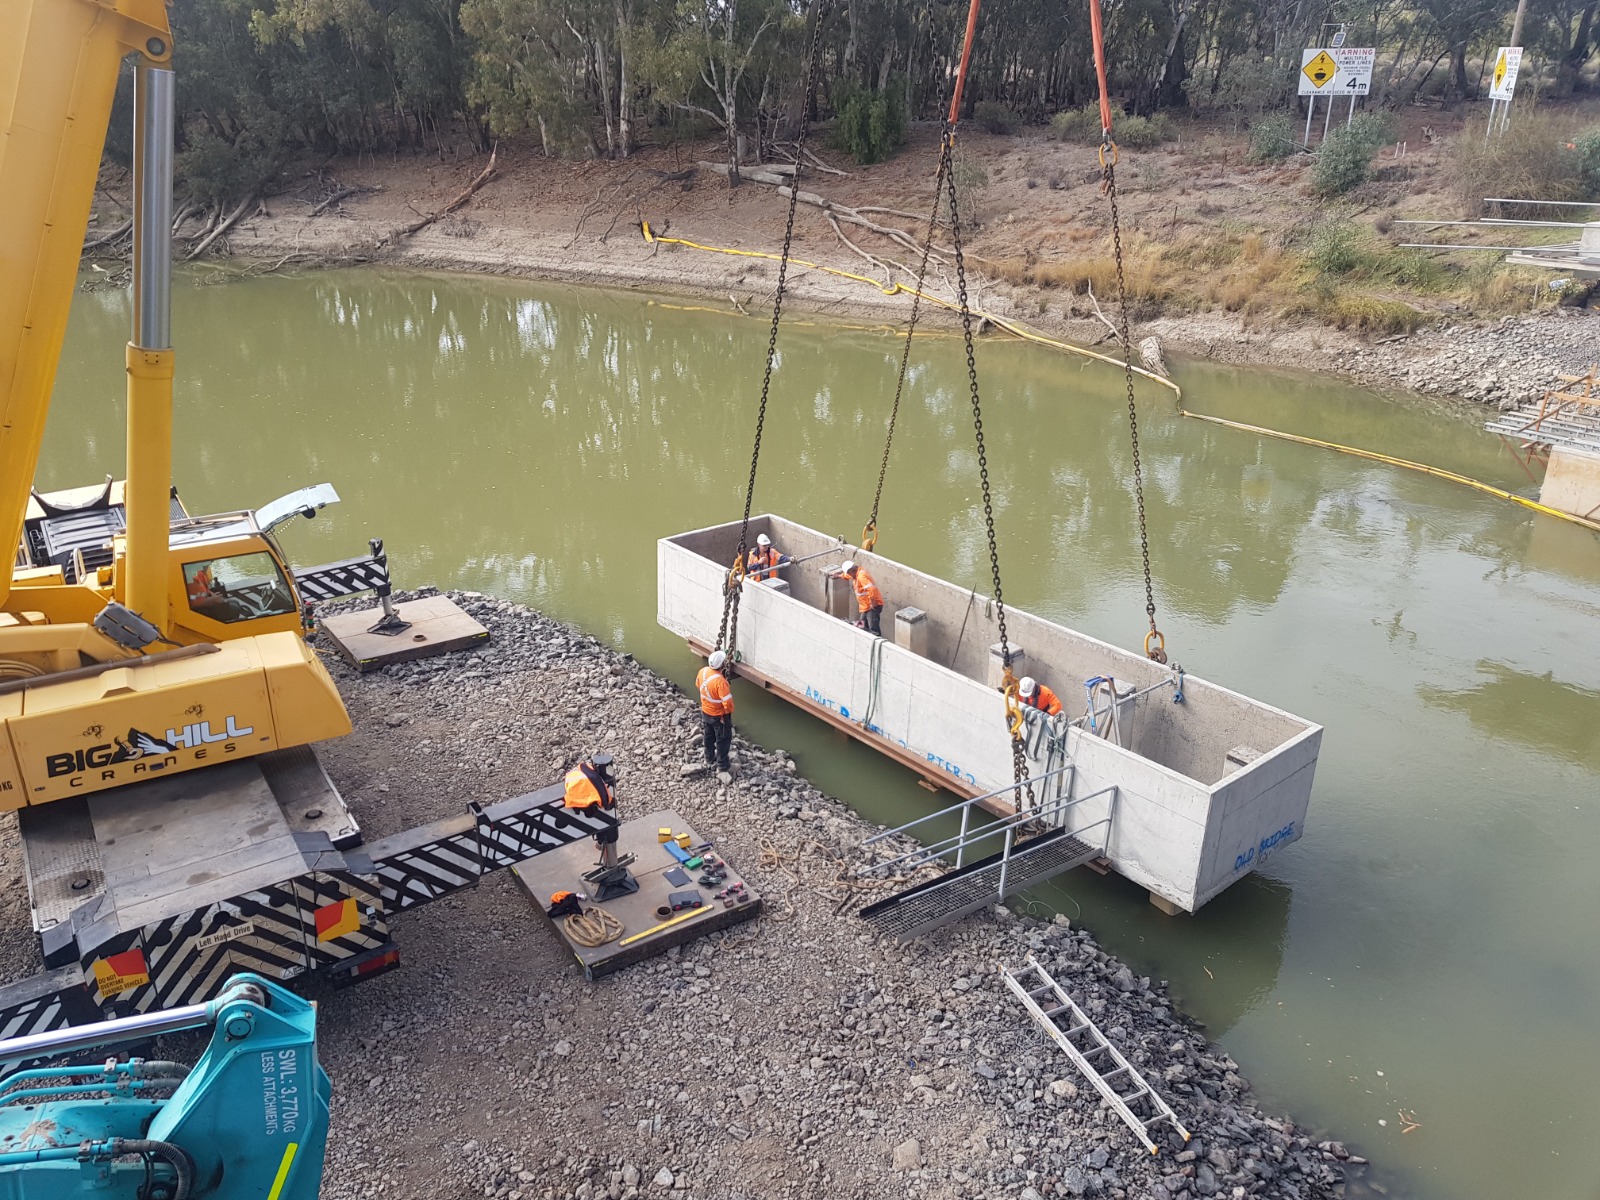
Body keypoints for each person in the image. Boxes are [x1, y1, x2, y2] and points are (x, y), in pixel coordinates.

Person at [695, 650, 734, 773]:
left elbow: (697, 684)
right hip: (719, 715)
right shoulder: (720, 682)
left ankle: (709, 758)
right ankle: (722, 765)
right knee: (723, 739)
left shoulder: (703, 671)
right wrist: (727, 712)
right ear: (722, 665)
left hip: (706, 712)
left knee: (708, 735)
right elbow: (727, 703)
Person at [839, 561, 884, 636]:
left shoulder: (861, 576)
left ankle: (878, 642)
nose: (849, 575)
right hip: (866, 607)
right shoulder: (856, 573)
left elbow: (872, 589)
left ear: (851, 571)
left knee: (873, 629)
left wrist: (872, 603)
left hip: (872, 607)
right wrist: (838, 575)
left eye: (849, 573)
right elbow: (847, 576)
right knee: (861, 625)